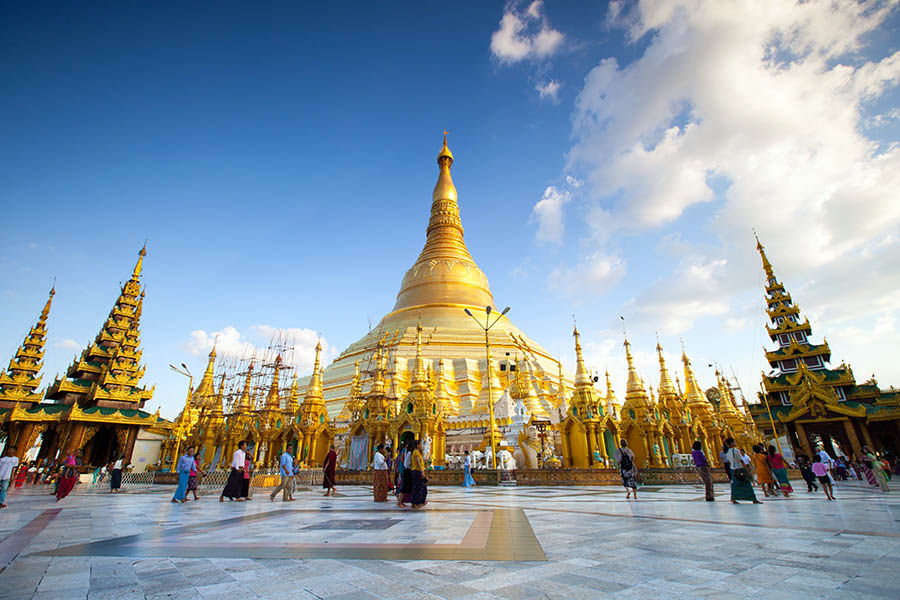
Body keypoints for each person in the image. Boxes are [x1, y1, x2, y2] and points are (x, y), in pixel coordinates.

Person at [726, 439, 760, 504]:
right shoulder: (736, 450)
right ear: (731, 443)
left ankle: (733, 498)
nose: (735, 443)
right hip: (739, 469)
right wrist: (747, 470)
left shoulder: (727, 452)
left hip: (733, 470)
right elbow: (741, 461)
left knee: (735, 485)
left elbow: (728, 462)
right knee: (747, 484)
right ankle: (753, 499)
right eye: (734, 442)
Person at [409, 440, 428, 509]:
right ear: (417, 445)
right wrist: (422, 471)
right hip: (417, 471)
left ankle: (414, 503)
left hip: (416, 471)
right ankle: (417, 503)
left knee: (417, 487)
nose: (421, 446)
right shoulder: (416, 452)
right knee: (419, 487)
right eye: (420, 444)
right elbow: (417, 462)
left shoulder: (416, 452)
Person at [398, 441, 413, 507]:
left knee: (407, 487)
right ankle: (399, 502)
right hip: (407, 470)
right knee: (404, 487)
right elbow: (405, 462)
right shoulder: (408, 452)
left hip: (407, 470)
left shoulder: (407, 451)